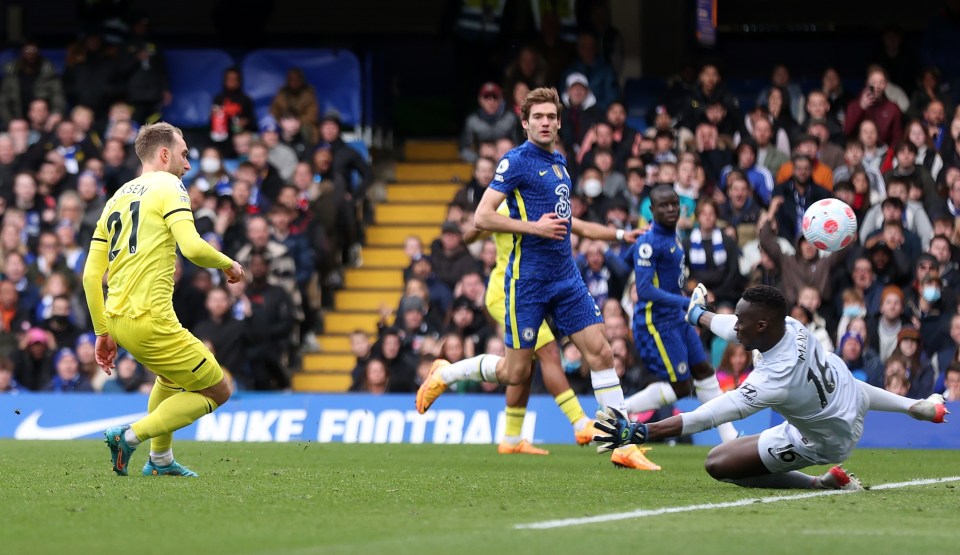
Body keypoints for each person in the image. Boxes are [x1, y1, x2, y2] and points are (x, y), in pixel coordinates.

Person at [417, 87, 630, 456]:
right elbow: (481, 218)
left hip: (565, 277)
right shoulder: (514, 162)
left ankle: (620, 444)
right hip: (525, 283)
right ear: (525, 122)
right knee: (515, 372)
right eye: (538, 117)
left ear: (559, 122)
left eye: (551, 117)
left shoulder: (561, 163)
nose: (545, 122)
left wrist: (618, 234)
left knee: (601, 352)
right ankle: (445, 374)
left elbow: (569, 222)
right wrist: (535, 227)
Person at [593, 284, 949, 490]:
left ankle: (819, 484)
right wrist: (698, 316)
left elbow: (707, 416)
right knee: (848, 387)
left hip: (828, 439)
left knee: (719, 463)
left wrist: (642, 430)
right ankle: (915, 406)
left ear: (762, 326)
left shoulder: (772, 380)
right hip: (848, 395)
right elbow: (732, 324)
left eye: (744, 323)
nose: (737, 330)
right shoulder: (790, 324)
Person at [82, 122, 245, 477]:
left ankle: (160, 460)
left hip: (120, 322)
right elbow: (192, 247)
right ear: (165, 154)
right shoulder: (170, 185)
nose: (188, 165)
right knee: (218, 390)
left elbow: (91, 276)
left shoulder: (116, 197)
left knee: (171, 380)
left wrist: (102, 331)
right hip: (151, 319)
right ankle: (129, 436)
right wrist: (228, 264)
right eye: (184, 155)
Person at [463, 195, 643, 463]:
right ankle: (580, 423)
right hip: (505, 292)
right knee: (547, 352)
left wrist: (620, 234)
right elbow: (470, 234)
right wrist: (501, 224)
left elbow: (580, 227)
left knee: (524, 367)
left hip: (528, 293)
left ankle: (511, 439)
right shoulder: (504, 207)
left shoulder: (543, 202)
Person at [621, 184, 739, 461]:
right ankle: (618, 411)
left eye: (674, 204)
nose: (671, 209)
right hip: (656, 322)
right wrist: (685, 302)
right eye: (664, 205)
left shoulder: (670, 235)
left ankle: (729, 437)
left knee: (705, 371)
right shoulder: (650, 243)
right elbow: (646, 290)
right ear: (652, 210)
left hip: (678, 317)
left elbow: (625, 257)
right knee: (681, 387)